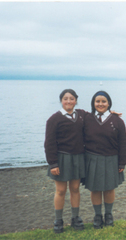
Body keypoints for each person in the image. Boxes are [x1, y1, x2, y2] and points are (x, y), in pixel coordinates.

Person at [83, 90, 126, 229]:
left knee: (109, 189)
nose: (100, 104)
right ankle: (97, 216)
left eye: (104, 101)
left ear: (109, 103)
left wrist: (122, 162)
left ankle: (108, 215)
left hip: (111, 159)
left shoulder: (118, 121)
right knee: (95, 189)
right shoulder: (86, 119)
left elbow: (123, 143)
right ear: (93, 103)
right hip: (92, 158)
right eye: (97, 101)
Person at [45, 89, 86, 233]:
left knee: (75, 189)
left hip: (78, 157)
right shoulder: (54, 119)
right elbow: (49, 143)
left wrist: (112, 113)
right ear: (61, 101)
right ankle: (58, 220)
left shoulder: (81, 115)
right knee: (61, 190)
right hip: (61, 159)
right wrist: (53, 164)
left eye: (72, 98)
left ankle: (75, 218)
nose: (69, 101)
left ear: (76, 100)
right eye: (65, 98)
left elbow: (97, 114)